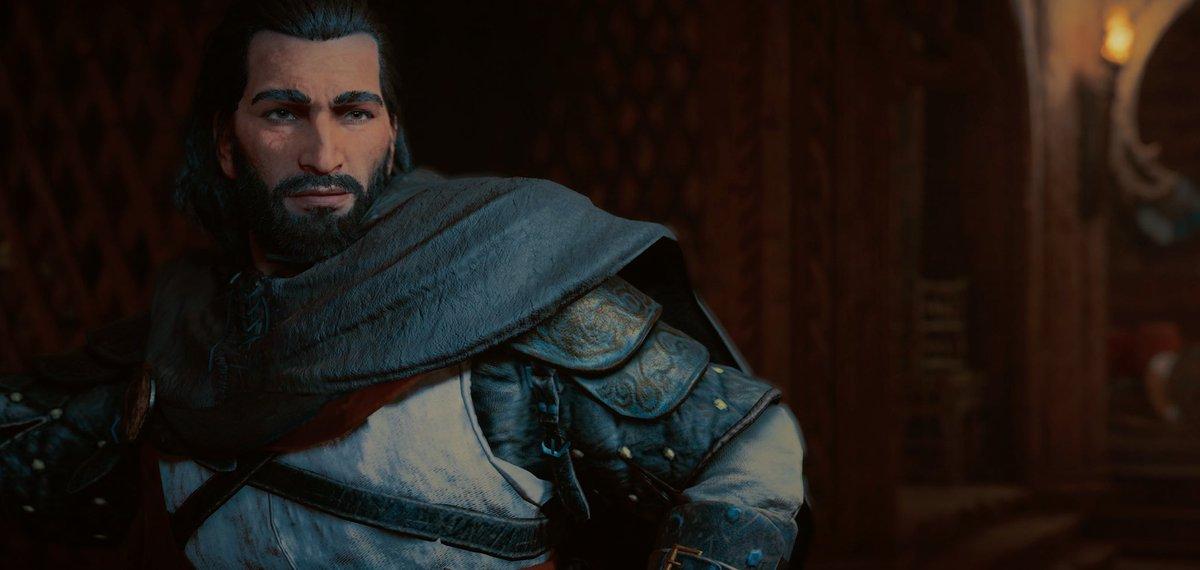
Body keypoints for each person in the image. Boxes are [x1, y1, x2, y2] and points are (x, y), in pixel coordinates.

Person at [0, 1, 810, 567]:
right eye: (282, 112)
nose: (323, 154)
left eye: (354, 112)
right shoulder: (185, 334)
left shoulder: (507, 283)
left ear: (390, 136)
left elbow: (753, 455)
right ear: (225, 142)